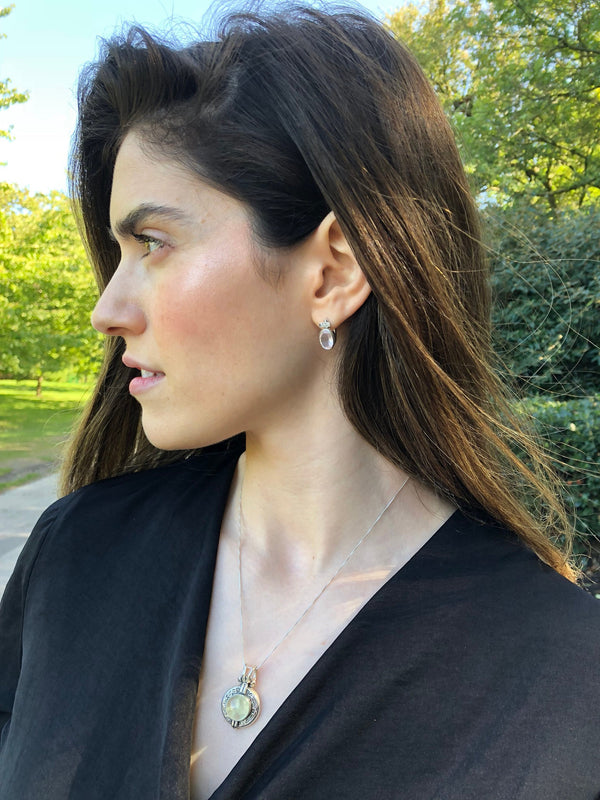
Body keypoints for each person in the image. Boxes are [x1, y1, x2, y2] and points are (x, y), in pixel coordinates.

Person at [0, 5, 599, 799]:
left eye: (152, 244)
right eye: (118, 253)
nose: (106, 310)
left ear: (334, 273)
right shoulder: (74, 560)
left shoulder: (563, 682)